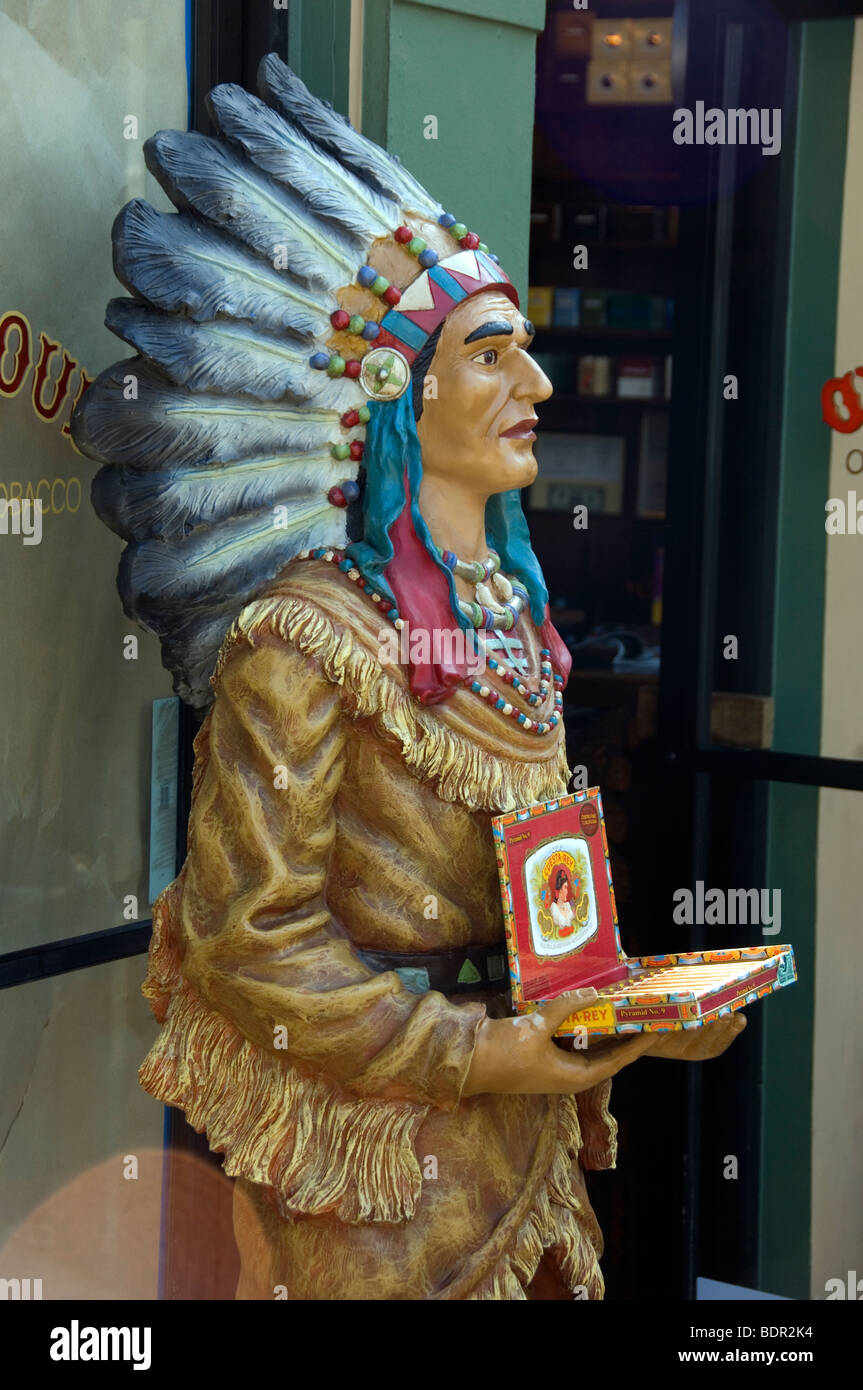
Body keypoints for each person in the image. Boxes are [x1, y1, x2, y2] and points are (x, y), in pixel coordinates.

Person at [73, 55, 746, 1301]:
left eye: (528, 353)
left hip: (525, 1153)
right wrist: (476, 1050)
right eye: (494, 356)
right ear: (399, 391)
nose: (537, 388)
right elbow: (246, 940)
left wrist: (634, 1008)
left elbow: (527, 908)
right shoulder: (302, 641)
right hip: (379, 1176)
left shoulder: (512, 618)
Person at [550, 870, 576, 936]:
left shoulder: (568, 905)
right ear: (559, 890)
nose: (567, 891)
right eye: (565, 887)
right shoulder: (554, 908)